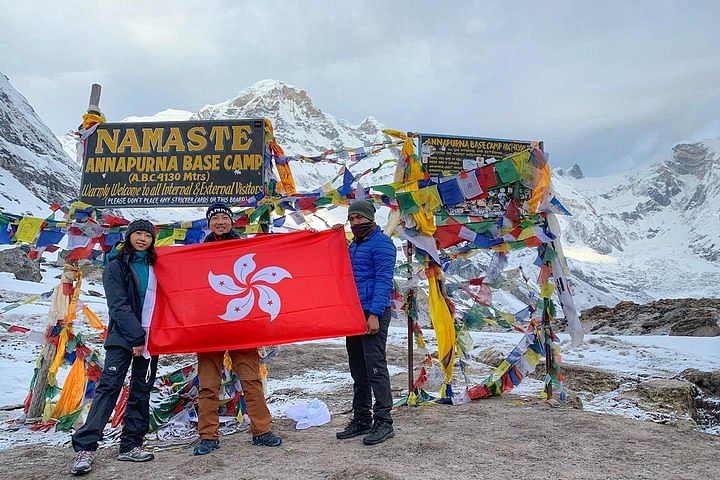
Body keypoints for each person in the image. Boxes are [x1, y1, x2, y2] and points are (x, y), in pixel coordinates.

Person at [70, 219, 159, 475]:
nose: (142, 239)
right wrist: (135, 338)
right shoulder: (116, 266)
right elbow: (117, 305)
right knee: (109, 388)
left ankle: (131, 445)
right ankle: (85, 448)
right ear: (129, 236)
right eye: (138, 234)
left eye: (147, 235)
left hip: (152, 339)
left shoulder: (157, 267)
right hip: (123, 339)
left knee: (141, 390)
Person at [192, 202, 282, 455]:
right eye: (215, 218)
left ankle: (262, 431)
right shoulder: (197, 254)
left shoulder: (245, 249)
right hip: (209, 327)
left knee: (251, 380)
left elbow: (272, 258)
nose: (220, 221)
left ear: (232, 222)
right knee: (208, 384)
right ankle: (208, 436)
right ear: (208, 224)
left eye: (224, 217)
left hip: (242, 325)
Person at [336, 200, 397, 445]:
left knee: (375, 367)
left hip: (373, 313)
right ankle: (362, 418)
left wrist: (374, 314)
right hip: (354, 313)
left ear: (370, 218)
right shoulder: (355, 246)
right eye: (352, 219)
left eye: (360, 218)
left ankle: (384, 422)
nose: (356, 222)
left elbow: (383, 281)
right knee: (358, 369)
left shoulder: (382, 244)